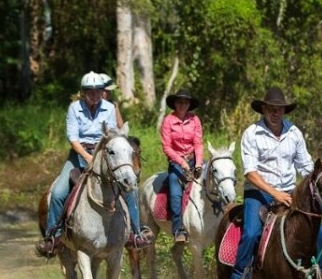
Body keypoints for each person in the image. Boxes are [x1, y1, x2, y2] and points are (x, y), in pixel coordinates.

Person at [223, 86, 322, 279]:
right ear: (264, 109)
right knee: (250, 232)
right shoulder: (252, 133)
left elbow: (305, 165)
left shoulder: (294, 133)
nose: (275, 113)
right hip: (258, 193)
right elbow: (250, 173)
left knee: (321, 233)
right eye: (271, 108)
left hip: (289, 194)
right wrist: (275, 193)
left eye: (279, 109)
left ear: (284, 111)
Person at [36, 71, 153, 257]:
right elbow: (73, 139)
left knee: (131, 187)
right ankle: (53, 238)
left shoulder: (108, 107)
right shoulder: (74, 108)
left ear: (102, 92)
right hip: (78, 154)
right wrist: (87, 157)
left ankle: (135, 233)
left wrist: (104, 156)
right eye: (90, 91)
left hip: (105, 155)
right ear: (83, 93)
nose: (95, 95)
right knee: (58, 192)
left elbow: (113, 135)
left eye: (98, 91)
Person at [160, 89, 204, 244]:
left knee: (215, 181)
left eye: (186, 102)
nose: (182, 105)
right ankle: (179, 229)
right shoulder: (168, 120)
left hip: (194, 159)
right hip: (176, 163)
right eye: (180, 102)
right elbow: (167, 147)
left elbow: (198, 143)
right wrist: (182, 163)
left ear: (189, 104)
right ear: (175, 104)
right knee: (175, 192)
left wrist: (198, 163)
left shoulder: (195, 120)